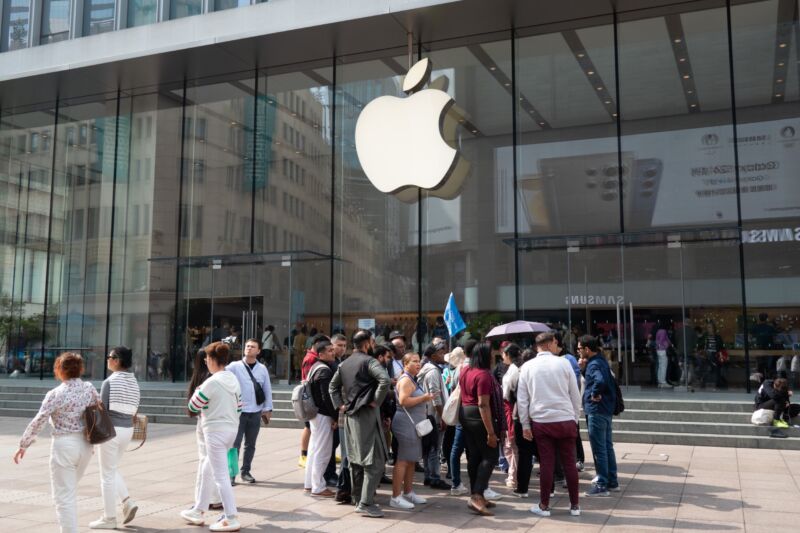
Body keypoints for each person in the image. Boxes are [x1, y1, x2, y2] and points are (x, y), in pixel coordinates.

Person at [13, 352, 100, 533]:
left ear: (59, 370)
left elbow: (40, 419)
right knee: (69, 491)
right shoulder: (89, 388)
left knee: (64, 497)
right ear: (80, 369)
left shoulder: (56, 394)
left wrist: (24, 444)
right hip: (86, 445)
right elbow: (98, 409)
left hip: (64, 445)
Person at [517, 332, 581, 518]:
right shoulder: (564, 363)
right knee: (569, 463)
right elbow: (575, 394)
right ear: (549, 343)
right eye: (555, 342)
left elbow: (522, 400)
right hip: (565, 419)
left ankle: (544, 505)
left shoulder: (527, 366)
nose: (556, 344)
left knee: (546, 463)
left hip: (542, 421)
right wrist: (574, 418)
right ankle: (575, 505)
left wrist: (525, 424)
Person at [329, 330, 391, 518]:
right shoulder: (369, 361)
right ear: (367, 343)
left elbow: (333, 387)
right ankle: (365, 502)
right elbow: (385, 380)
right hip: (365, 415)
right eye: (372, 341)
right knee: (375, 461)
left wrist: (340, 405)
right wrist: (376, 401)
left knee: (355, 459)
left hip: (349, 416)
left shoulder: (344, 363)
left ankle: (359, 499)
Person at [181, 342, 242, 532]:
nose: (206, 362)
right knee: (209, 468)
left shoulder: (212, 382)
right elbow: (240, 407)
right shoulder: (232, 379)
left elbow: (193, 406)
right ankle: (199, 509)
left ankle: (231, 516)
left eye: (207, 359)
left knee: (220, 475)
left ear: (213, 360)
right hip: (230, 429)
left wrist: (203, 396)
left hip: (214, 430)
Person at [89, 346, 141, 529]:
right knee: (111, 469)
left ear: (117, 360)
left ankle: (109, 518)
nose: (107, 359)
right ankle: (127, 501)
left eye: (109, 356)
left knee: (106, 476)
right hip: (127, 430)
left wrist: (94, 437)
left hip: (111, 431)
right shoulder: (134, 382)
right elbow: (135, 410)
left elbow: (102, 412)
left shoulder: (109, 382)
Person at [458, 342, 505, 516]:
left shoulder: (465, 371)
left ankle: (476, 495)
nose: (494, 356)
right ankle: (477, 495)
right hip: (479, 416)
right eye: (491, 354)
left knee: (475, 455)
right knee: (490, 455)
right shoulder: (484, 375)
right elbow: (483, 404)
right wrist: (491, 433)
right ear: (485, 356)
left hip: (465, 414)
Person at [226, 338, 273, 484]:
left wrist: (267, 408)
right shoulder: (235, 366)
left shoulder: (262, 368)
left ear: (258, 351)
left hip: (256, 411)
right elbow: (221, 374)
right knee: (235, 444)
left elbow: (267, 389)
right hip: (238, 412)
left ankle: (245, 471)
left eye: (253, 347)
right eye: (247, 346)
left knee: (250, 444)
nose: (249, 348)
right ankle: (231, 474)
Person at [390, 352, 433, 509]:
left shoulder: (411, 378)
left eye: (419, 361)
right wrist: (424, 398)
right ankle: (395, 496)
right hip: (405, 424)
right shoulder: (406, 380)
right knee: (402, 460)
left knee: (411, 460)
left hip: (413, 424)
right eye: (414, 361)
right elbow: (403, 401)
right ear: (406, 364)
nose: (418, 363)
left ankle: (408, 492)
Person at [579, 335, 619, 497]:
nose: (578, 351)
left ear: (587, 349)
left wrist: (595, 393)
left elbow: (600, 381)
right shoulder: (600, 361)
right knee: (607, 446)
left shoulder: (594, 364)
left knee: (599, 448)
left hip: (596, 410)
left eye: (580, 348)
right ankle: (612, 480)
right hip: (605, 410)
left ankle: (602, 483)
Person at [188, 349, 223, 512]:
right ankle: (213, 498)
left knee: (205, 460)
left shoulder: (201, 378)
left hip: (206, 422)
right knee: (212, 462)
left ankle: (205, 500)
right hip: (216, 422)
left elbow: (193, 405)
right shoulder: (213, 379)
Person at [305, 339, 339, 497]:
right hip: (323, 415)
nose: (333, 352)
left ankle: (310, 483)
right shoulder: (324, 370)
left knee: (314, 449)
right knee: (322, 451)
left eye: (333, 349)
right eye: (330, 350)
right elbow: (327, 397)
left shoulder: (315, 367)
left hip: (316, 414)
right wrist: (335, 416)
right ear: (321, 354)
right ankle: (318, 486)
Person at [418, 342, 450, 490]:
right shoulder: (432, 372)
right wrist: (442, 416)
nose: (444, 354)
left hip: (428, 414)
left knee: (428, 447)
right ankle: (434, 477)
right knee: (434, 448)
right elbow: (435, 397)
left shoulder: (430, 369)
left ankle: (428, 476)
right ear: (433, 356)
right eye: (441, 352)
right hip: (433, 416)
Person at [501, 343, 521, 490]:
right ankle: (513, 474)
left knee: (511, 444)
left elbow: (507, 392)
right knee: (509, 445)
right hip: (510, 408)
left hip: (511, 408)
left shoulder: (514, 370)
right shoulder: (514, 369)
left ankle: (512, 476)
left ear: (508, 355)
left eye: (503, 353)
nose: (502, 356)